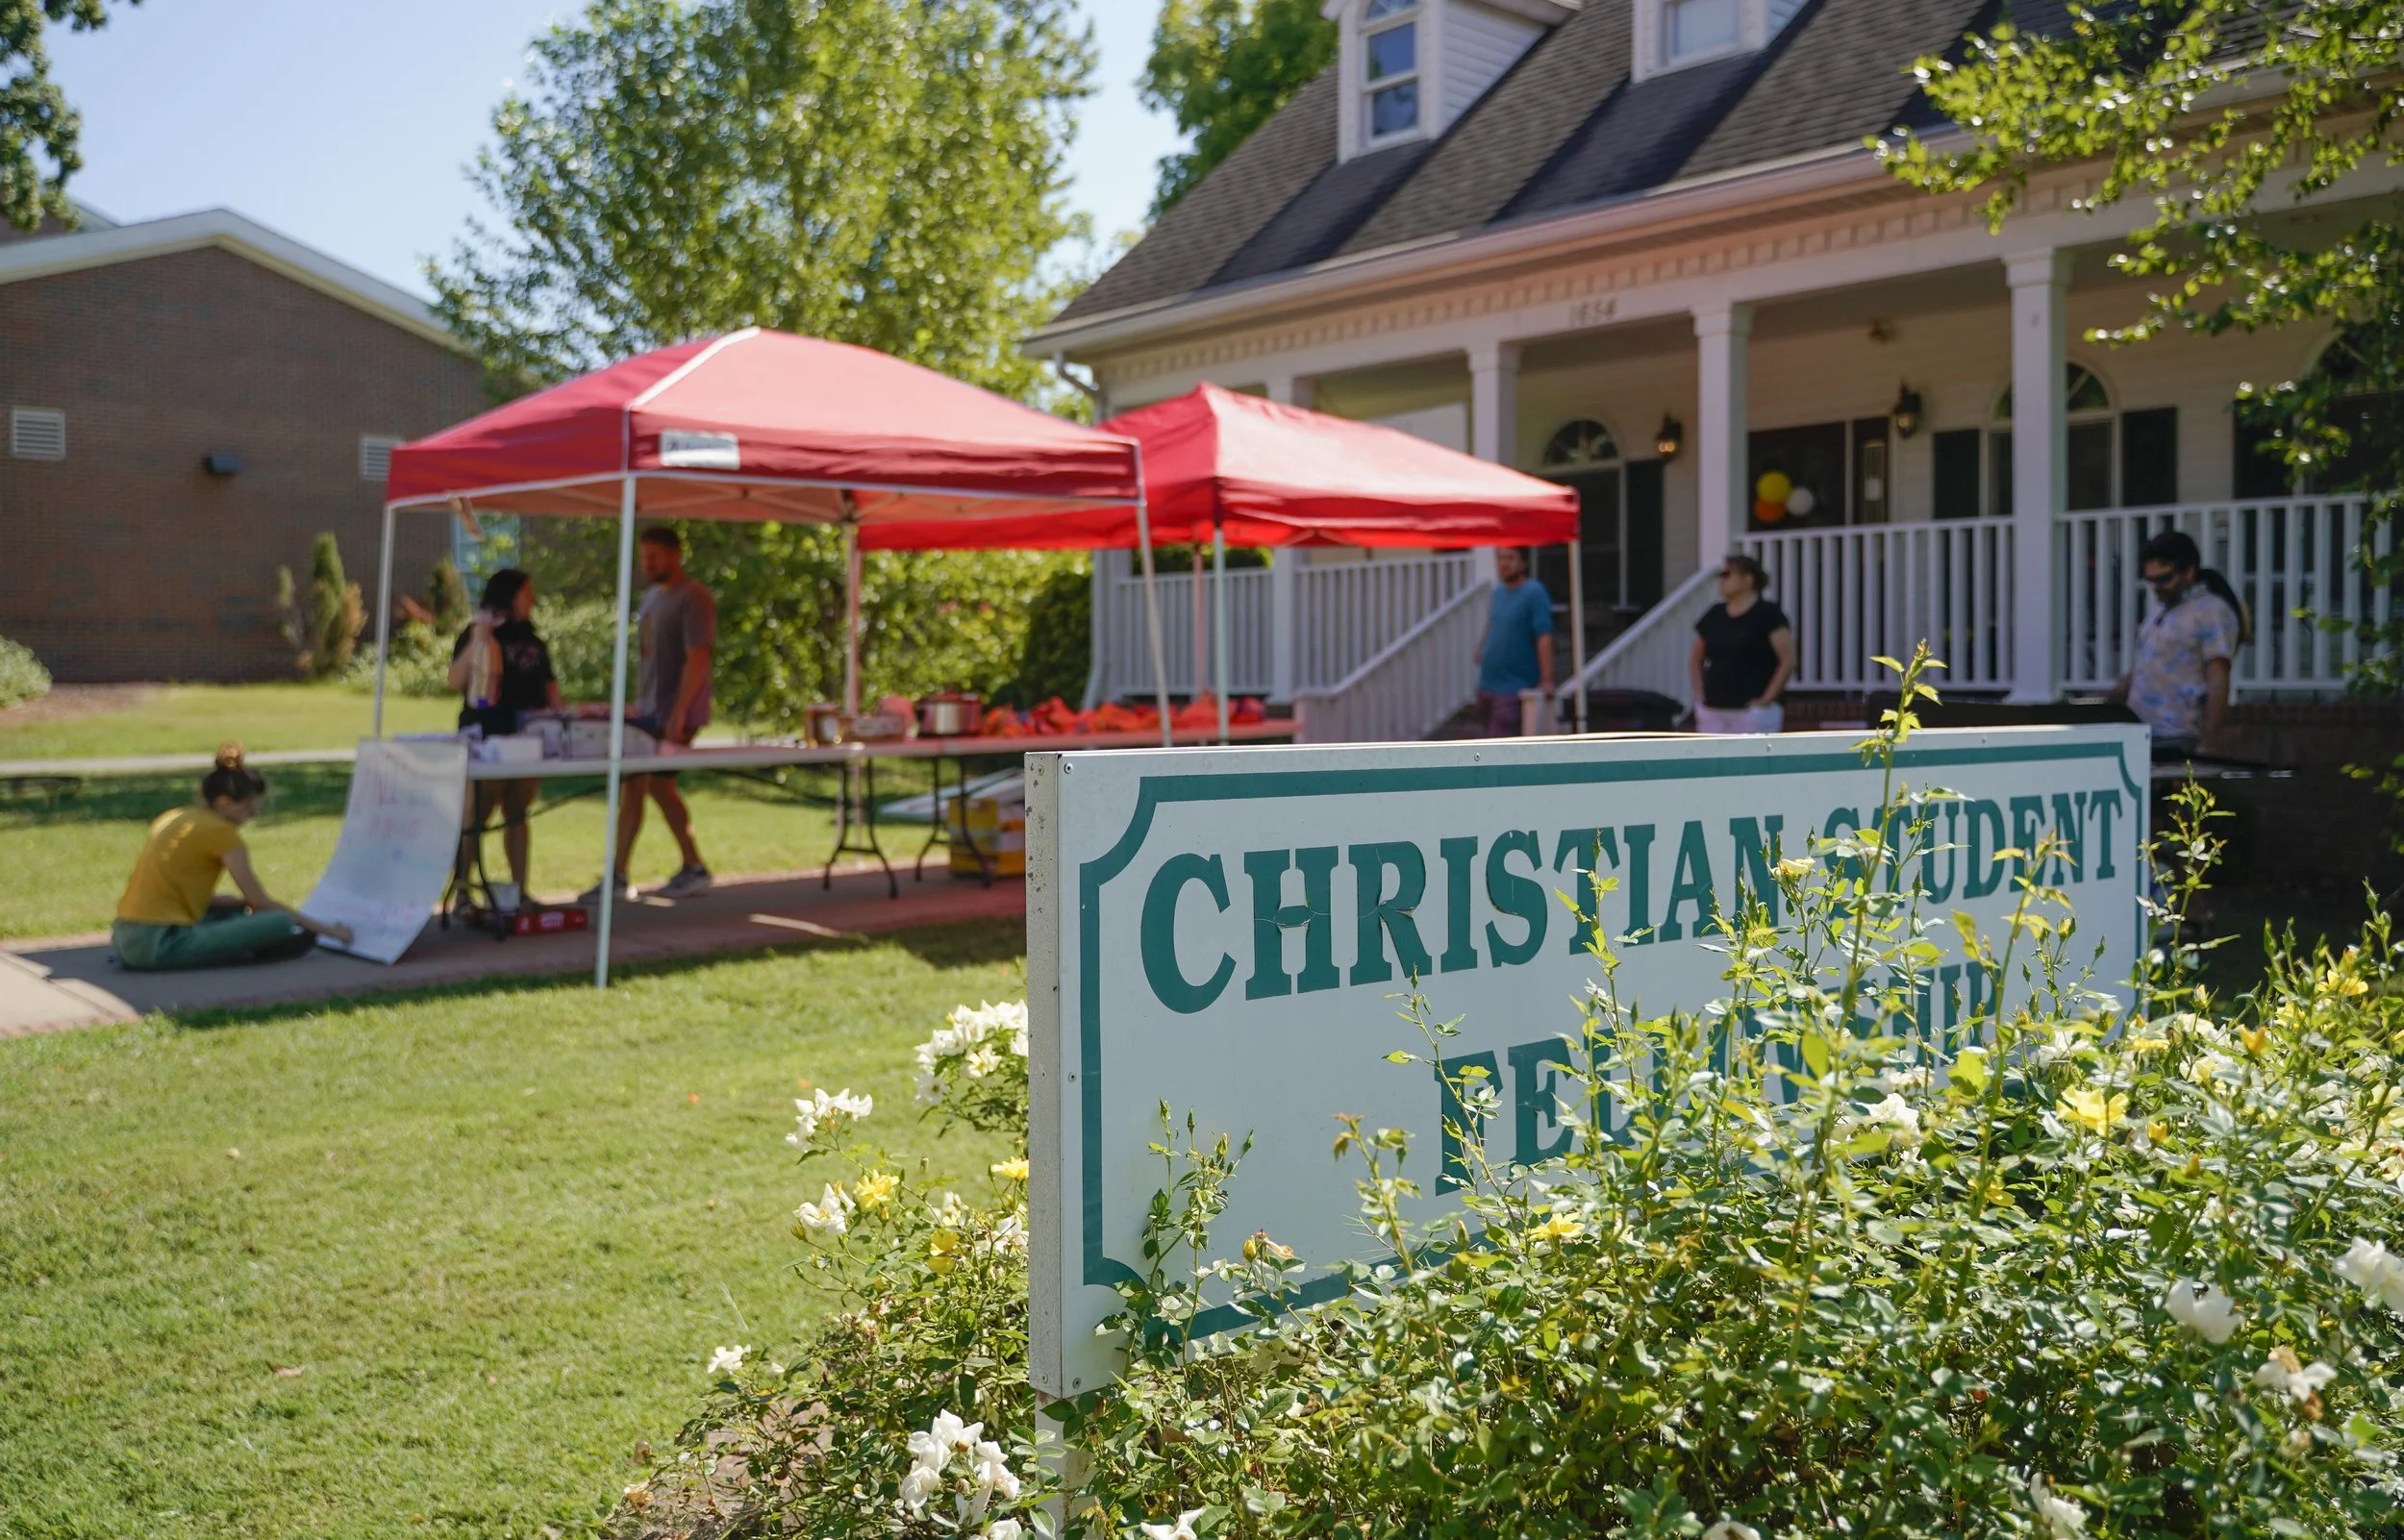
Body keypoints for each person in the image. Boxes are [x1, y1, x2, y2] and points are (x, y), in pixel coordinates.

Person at [112, 744, 354, 970]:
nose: (252, 816)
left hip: (124, 937)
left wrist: (240, 903)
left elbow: (175, 891)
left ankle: (244, 944)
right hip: (158, 945)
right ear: (225, 802)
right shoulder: (221, 833)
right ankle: (254, 950)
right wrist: (331, 932)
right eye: (249, 808)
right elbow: (260, 902)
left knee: (231, 911)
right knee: (278, 922)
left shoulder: (176, 817)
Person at [584, 526, 716, 904]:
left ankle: (686, 868)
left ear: (676, 554)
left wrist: (680, 712)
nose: (648, 563)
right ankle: (625, 874)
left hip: (676, 712)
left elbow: (698, 658)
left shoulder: (694, 598)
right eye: (644, 556)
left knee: (656, 784)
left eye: (655, 556)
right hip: (647, 710)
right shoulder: (651, 598)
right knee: (636, 785)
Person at [448, 567, 561, 896]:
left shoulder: (534, 640)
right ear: (510, 595)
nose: (534, 598)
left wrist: (562, 718)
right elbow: (455, 681)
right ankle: (463, 891)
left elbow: (550, 690)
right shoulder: (479, 633)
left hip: (527, 739)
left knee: (517, 814)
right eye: (527, 592)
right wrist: (478, 641)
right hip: (486, 736)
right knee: (476, 816)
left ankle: (519, 892)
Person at [2110, 529, 2247, 759]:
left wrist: (2210, 740)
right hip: (2140, 732)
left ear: (2189, 571)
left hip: (2177, 734)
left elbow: (2218, 678)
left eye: (2164, 579)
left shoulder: (2211, 612)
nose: (2157, 587)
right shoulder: (2161, 611)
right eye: (2151, 580)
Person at [1690, 554, 1795, 733]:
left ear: (1748, 579)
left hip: (1753, 712)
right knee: (1712, 761)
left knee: (1753, 761)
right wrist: (1700, 695)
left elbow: (1788, 660)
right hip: (1714, 710)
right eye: (1721, 575)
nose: (1721, 579)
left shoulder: (1768, 614)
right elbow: (1695, 658)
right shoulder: (1715, 614)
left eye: (1728, 574)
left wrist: (1767, 699)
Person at [1472, 547, 1555, 735]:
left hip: (1512, 689)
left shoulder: (1534, 592)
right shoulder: (1498, 592)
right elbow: (1492, 623)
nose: (1504, 563)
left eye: (1510, 558)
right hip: (1487, 685)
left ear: (1523, 563)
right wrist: (1481, 648)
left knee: (1498, 750)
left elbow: (1543, 636)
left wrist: (1547, 679)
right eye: (1500, 558)